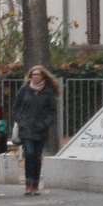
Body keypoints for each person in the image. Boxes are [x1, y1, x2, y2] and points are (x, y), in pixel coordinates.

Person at [12, 65, 61, 196]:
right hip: (26, 128)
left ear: (43, 76)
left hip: (40, 129)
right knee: (29, 153)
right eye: (33, 75)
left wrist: (44, 124)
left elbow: (53, 112)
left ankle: (35, 183)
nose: (35, 77)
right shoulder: (24, 89)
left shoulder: (48, 92)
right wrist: (21, 122)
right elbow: (16, 108)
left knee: (37, 156)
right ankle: (28, 183)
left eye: (38, 75)